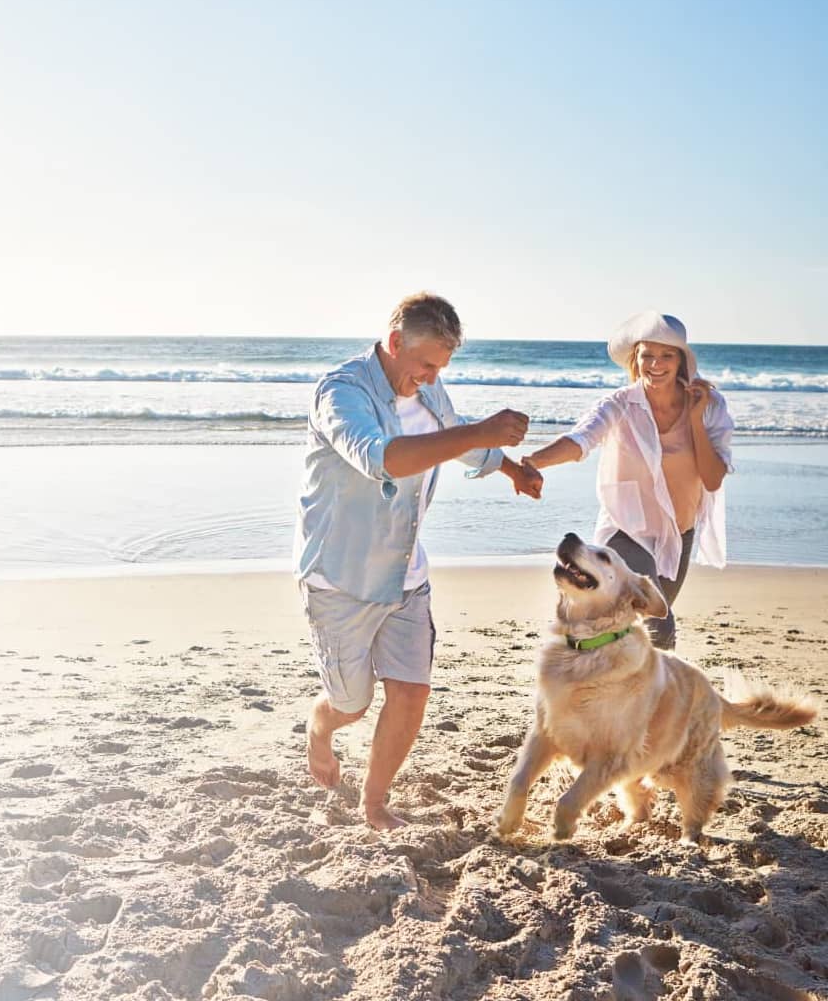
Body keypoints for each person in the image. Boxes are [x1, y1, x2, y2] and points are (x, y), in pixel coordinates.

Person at [294, 292, 542, 830]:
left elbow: (454, 439)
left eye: (442, 367)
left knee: (411, 692)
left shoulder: (429, 389)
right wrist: (479, 432)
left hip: (406, 571)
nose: (432, 377)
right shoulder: (341, 393)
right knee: (352, 705)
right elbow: (382, 459)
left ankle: (374, 803)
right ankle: (320, 723)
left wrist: (509, 468)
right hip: (341, 577)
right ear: (394, 342)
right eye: (426, 364)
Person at [523, 310, 734, 651]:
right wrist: (534, 462)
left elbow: (712, 479)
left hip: (678, 534)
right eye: (647, 354)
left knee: (642, 629)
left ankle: (626, 692)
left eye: (666, 355)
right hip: (627, 529)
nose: (656, 364)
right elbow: (580, 440)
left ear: (680, 360)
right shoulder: (620, 405)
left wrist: (695, 419)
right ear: (635, 359)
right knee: (659, 627)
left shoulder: (710, 407)